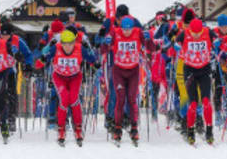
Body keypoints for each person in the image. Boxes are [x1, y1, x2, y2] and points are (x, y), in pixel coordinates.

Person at [103, 17, 154, 145]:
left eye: (129, 29)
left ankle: (134, 128)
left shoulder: (138, 33)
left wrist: (148, 39)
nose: (126, 32)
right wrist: (106, 42)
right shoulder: (115, 32)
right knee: (120, 99)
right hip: (119, 71)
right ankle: (118, 128)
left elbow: (151, 48)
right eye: (124, 29)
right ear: (121, 28)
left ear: (132, 28)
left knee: (132, 99)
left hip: (133, 71)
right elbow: (103, 49)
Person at [43, 29, 96, 147]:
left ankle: (78, 128)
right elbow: (43, 55)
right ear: (61, 42)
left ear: (74, 41)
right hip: (59, 77)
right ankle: (61, 129)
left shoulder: (79, 47)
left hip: (75, 77)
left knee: (73, 100)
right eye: (65, 44)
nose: (68, 47)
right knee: (64, 100)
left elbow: (91, 58)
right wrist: (43, 57)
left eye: (70, 44)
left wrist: (94, 62)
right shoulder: (55, 46)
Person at [175, 18, 218, 145]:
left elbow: (217, 39)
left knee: (206, 101)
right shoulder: (185, 34)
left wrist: (217, 44)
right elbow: (176, 43)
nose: (196, 35)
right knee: (193, 103)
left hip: (204, 69)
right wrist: (177, 48)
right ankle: (190, 131)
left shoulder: (208, 32)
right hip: (190, 70)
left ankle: (209, 130)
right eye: (194, 33)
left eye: (198, 33)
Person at [0, 23, 33, 132]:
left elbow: (28, 54)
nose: (4, 37)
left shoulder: (17, 41)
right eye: (2, 35)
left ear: (11, 34)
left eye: (7, 35)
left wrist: (27, 65)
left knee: (11, 95)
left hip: (10, 71)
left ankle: (11, 119)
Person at [213, 14, 227, 127]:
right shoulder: (214, 33)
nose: (224, 29)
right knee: (219, 89)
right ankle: (218, 113)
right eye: (222, 27)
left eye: (226, 26)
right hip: (218, 64)